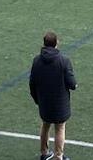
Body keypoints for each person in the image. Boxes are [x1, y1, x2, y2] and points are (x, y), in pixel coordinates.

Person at [30, 31, 77, 160]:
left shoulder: (37, 61)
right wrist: (74, 86)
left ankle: (44, 153)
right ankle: (58, 156)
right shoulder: (63, 60)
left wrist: (37, 99)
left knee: (45, 125)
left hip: (44, 102)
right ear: (56, 44)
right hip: (60, 103)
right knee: (60, 128)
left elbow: (32, 83)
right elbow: (72, 83)